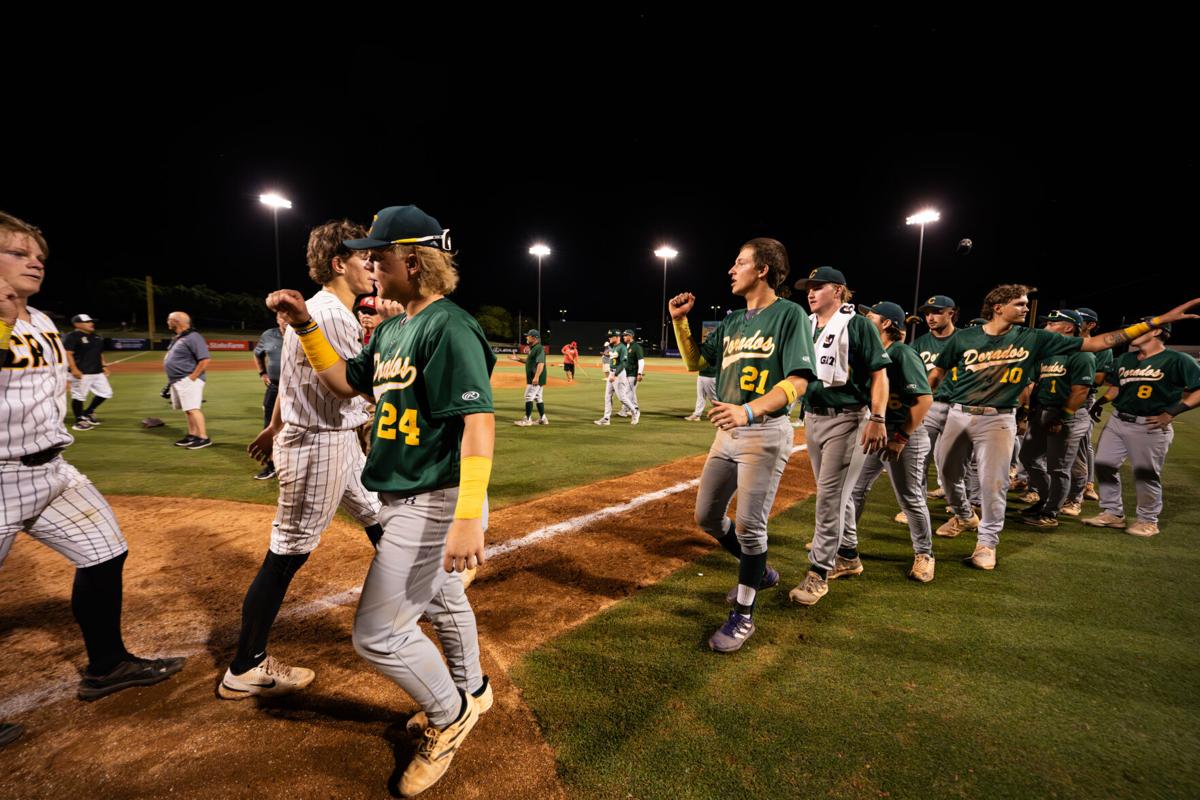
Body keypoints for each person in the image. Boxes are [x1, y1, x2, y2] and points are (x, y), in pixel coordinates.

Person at [269, 205, 493, 797]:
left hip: (436, 498)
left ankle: (451, 716)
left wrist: (469, 515)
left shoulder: (449, 325)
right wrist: (305, 326)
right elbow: (344, 381)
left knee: (377, 634)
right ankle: (473, 690)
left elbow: (478, 421)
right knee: (443, 602)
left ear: (413, 260)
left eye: (380, 252)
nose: (368, 259)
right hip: (399, 493)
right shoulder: (394, 329)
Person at [1, 211, 185, 710]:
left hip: (50, 470)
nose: (34, 263)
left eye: (39, 256)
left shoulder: (39, 320)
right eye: (18, 253)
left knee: (105, 552)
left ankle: (107, 665)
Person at [219, 220, 384, 701]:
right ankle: (245, 666)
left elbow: (289, 379)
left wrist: (273, 426)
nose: (372, 267)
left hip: (335, 442)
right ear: (339, 264)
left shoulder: (323, 311)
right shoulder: (331, 315)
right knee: (287, 554)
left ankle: (416, 599)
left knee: (379, 518)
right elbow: (352, 387)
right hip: (320, 445)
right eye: (363, 259)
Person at [928, 285, 1199, 569]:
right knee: (947, 473)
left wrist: (1156, 322)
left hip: (999, 417)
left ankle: (987, 543)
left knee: (993, 484)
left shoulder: (1033, 337)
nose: (1025, 308)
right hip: (959, 413)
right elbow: (938, 372)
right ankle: (964, 515)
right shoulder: (964, 337)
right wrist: (923, 403)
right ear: (998, 307)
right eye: (1020, 304)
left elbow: (1099, 343)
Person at [669, 237, 815, 652]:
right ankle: (761, 570)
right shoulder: (733, 320)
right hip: (727, 432)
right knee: (707, 517)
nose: (732, 270)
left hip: (764, 431)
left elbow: (799, 381)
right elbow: (696, 361)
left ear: (763, 269)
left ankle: (744, 614)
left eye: (740, 262)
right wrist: (680, 321)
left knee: (751, 527)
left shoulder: (790, 315)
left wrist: (748, 411)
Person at [788, 266, 890, 607]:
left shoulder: (858, 325)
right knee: (836, 495)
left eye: (819, 287)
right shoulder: (805, 325)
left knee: (829, 498)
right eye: (809, 287)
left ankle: (818, 572)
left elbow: (879, 375)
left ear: (839, 290)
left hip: (848, 419)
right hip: (814, 417)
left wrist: (877, 417)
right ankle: (848, 555)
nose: (811, 292)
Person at [840, 302, 936, 582]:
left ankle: (925, 554)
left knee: (910, 497)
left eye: (871, 316)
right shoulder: (873, 352)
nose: (865, 318)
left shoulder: (902, 353)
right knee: (855, 489)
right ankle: (845, 546)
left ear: (886, 324)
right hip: (878, 430)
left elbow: (925, 399)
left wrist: (902, 437)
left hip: (904, 432)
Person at [1083, 321, 1200, 536]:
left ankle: (1148, 520)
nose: (1133, 333)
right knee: (1104, 465)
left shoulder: (1178, 359)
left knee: (1145, 474)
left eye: (1140, 328)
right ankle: (1112, 513)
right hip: (1118, 420)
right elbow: (1117, 387)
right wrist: (1102, 401)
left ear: (1157, 331)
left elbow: (1197, 390)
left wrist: (1172, 412)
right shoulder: (1125, 359)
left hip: (1149, 424)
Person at [1017, 309, 1095, 528]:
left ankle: (1050, 512)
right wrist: (1028, 413)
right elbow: (1034, 384)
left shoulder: (1082, 354)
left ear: (1068, 328)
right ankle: (1046, 499)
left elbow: (1080, 391)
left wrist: (1062, 417)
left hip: (1067, 416)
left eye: (1052, 324)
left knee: (1059, 467)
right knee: (1028, 457)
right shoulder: (1047, 353)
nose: (1046, 327)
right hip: (1042, 411)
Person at [163, 311, 212, 449]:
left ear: (177, 321)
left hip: (188, 379)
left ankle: (203, 437)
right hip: (178, 380)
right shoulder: (179, 337)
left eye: (169, 319)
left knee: (192, 408)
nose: (167, 322)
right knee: (187, 409)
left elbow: (205, 359)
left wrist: (192, 377)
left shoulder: (193, 337)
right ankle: (192, 435)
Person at [251, 311, 287, 480]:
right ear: (277, 318)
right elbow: (257, 354)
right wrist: (262, 373)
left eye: (289, 316)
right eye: (282, 316)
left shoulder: (301, 333)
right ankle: (271, 465)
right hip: (274, 387)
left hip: (297, 389)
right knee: (269, 425)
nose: (285, 320)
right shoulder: (268, 335)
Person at [62, 313, 111, 431]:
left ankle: (88, 412)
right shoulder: (72, 336)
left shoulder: (96, 337)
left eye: (91, 321)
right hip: (81, 372)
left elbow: (98, 353)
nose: (91, 323)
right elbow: (68, 353)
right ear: (77, 324)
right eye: (87, 322)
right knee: (79, 396)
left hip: (96, 371)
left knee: (106, 393)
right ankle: (79, 420)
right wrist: (73, 369)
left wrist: (103, 365)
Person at [595, 329, 638, 425]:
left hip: (619, 374)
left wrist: (615, 374)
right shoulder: (614, 347)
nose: (609, 337)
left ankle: (634, 412)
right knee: (607, 396)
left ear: (617, 337)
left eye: (611, 336)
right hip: (612, 373)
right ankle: (606, 419)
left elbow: (624, 363)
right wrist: (611, 373)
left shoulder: (622, 347)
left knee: (622, 397)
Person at [511, 328, 548, 426]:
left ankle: (527, 420)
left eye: (528, 336)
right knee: (538, 397)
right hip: (537, 377)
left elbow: (541, 364)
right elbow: (529, 361)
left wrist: (536, 377)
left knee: (528, 397)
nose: (527, 337)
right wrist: (518, 359)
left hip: (535, 377)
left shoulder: (539, 348)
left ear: (534, 338)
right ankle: (543, 419)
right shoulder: (533, 348)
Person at [684, 326, 718, 421]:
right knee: (700, 396)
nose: (706, 338)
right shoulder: (705, 346)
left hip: (710, 376)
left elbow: (700, 348)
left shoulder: (715, 348)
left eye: (708, 337)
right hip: (702, 374)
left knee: (714, 398)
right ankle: (697, 415)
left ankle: (724, 413)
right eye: (706, 337)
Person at [623, 329, 645, 414]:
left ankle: (626, 410)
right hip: (627, 373)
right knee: (631, 392)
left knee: (627, 392)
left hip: (633, 373)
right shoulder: (627, 346)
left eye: (625, 335)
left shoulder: (636, 347)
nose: (623, 337)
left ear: (630, 336)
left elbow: (641, 361)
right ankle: (635, 408)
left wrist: (639, 373)